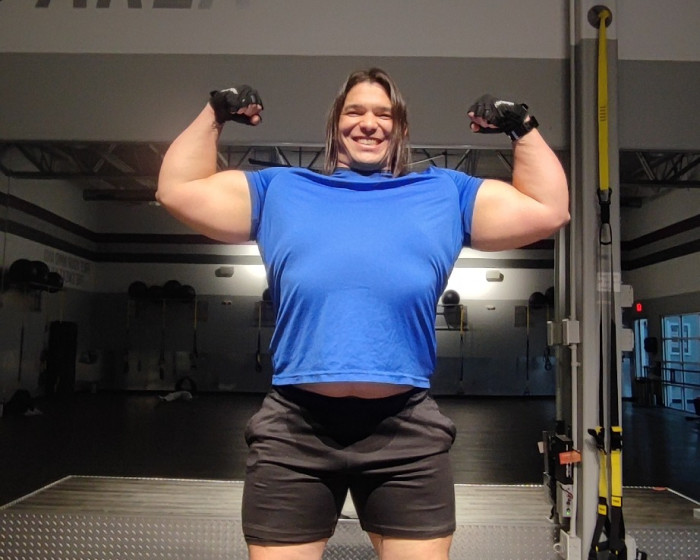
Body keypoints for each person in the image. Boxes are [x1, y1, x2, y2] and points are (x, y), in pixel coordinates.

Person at [157, 68, 569, 560]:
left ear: (402, 128)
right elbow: (177, 189)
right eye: (354, 111)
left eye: (384, 114)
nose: (369, 123)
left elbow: (548, 210)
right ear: (335, 123)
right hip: (296, 426)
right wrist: (214, 113)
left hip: (405, 428)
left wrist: (522, 127)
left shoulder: (445, 193)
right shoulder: (281, 189)